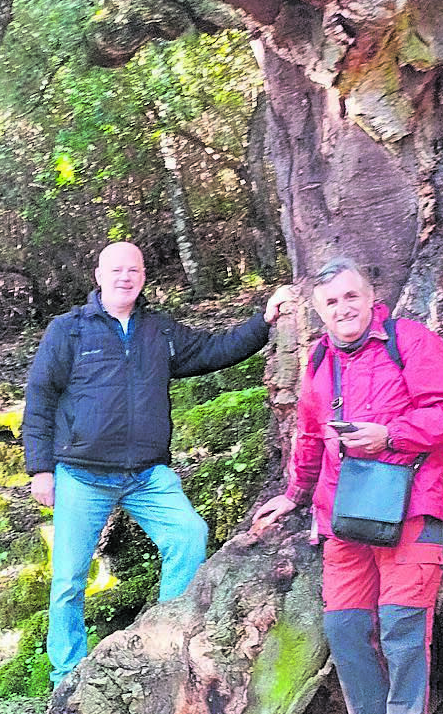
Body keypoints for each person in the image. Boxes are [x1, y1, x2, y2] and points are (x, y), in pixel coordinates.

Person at [251, 257, 443, 714]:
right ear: (318, 311)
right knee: (346, 631)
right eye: (330, 302)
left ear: (370, 296)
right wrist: (294, 494)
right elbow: (308, 433)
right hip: (342, 516)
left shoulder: (410, 341)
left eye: (351, 297)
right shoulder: (320, 359)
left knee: (402, 629)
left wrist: (391, 435)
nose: (343, 309)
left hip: (411, 509)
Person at [23, 241, 298, 686]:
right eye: (116, 270)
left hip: (147, 475)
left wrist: (264, 322)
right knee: (69, 580)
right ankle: (66, 675)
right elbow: (40, 397)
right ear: (98, 275)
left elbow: (214, 351)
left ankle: (165, 647)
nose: (124, 277)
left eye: (133, 270)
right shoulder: (69, 330)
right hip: (81, 473)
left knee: (189, 536)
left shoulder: (158, 331)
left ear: (144, 276)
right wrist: (40, 469)